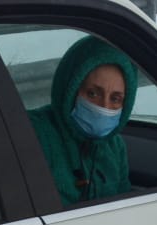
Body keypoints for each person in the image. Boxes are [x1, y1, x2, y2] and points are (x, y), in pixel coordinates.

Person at [27, 37, 138, 206]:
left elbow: (123, 205)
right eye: (93, 93)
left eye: (115, 99)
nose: (104, 107)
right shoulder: (35, 133)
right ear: (69, 89)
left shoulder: (114, 146)